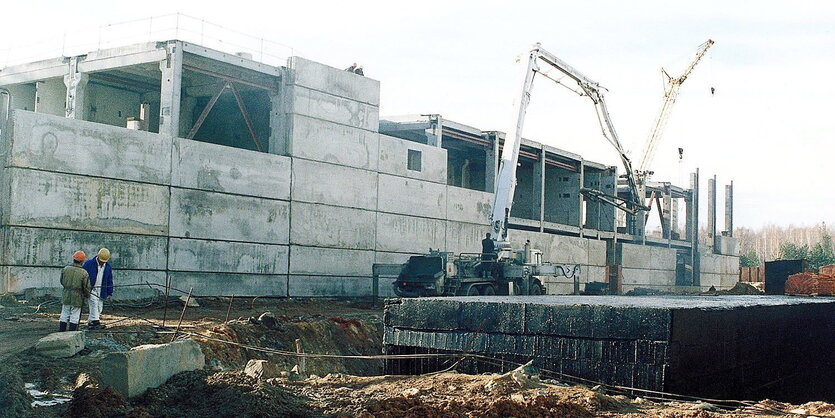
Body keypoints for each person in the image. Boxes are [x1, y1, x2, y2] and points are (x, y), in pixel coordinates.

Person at [59, 251, 91, 332]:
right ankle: (72, 333)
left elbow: (62, 281)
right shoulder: (84, 273)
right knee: (75, 315)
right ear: (82, 261)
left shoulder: (65, 269)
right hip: (77, 296)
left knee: (65, 312)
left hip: (66, 294)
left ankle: (61, 331)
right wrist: (87, 295)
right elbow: (86, 287)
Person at [83, 248, 113, 330]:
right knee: (93, 303)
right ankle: (95, 322)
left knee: (99, 306)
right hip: (91, 288)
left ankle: (91, 321)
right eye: (101, 261)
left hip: (102, 289)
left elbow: (109, 279)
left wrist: (110, 292)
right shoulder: (89, 264)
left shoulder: (108, 267)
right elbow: (83, 275)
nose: (102, 262)